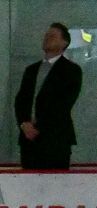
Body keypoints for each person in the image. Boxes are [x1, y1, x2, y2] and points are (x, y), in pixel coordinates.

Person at [16, 22, 81, 170]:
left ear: (64, 43)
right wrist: (24, 124)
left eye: (52, 36)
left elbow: (62, 105)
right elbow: (21, 100)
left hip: (55, 140)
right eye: (46, 36)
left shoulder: (71, 70)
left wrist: (37, 127)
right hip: (29, 142)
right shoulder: (31, 70)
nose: (47, 39)